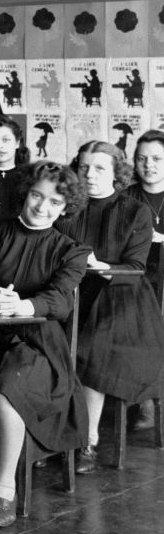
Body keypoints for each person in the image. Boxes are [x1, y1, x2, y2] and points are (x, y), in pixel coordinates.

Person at [0, 162, 89, 526]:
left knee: (6, 391)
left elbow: (60, 300)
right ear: (24, 193)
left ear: (66, 208)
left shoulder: (70, 250)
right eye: (36, 196)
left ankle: (4, 489)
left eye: (54, 202)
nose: (42, 207)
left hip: (39, 342)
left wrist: (23, 305)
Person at [55, 142, 164, 474]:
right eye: (84, 168)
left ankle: (86, 441)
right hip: (73, 293)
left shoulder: (135, 210)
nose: (90, 175)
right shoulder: (65, 207)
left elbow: (135, 268)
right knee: (47, 341)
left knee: (93, 347)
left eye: (100, 168)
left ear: (117, 172)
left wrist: (98, 265)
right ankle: (49, 437)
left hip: (124, 297)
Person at [125, 129, 164, 430]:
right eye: (141, 159)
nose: (148, 165)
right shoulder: (126, 197)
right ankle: (146, 402)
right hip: (139, 278)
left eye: (156, 159)